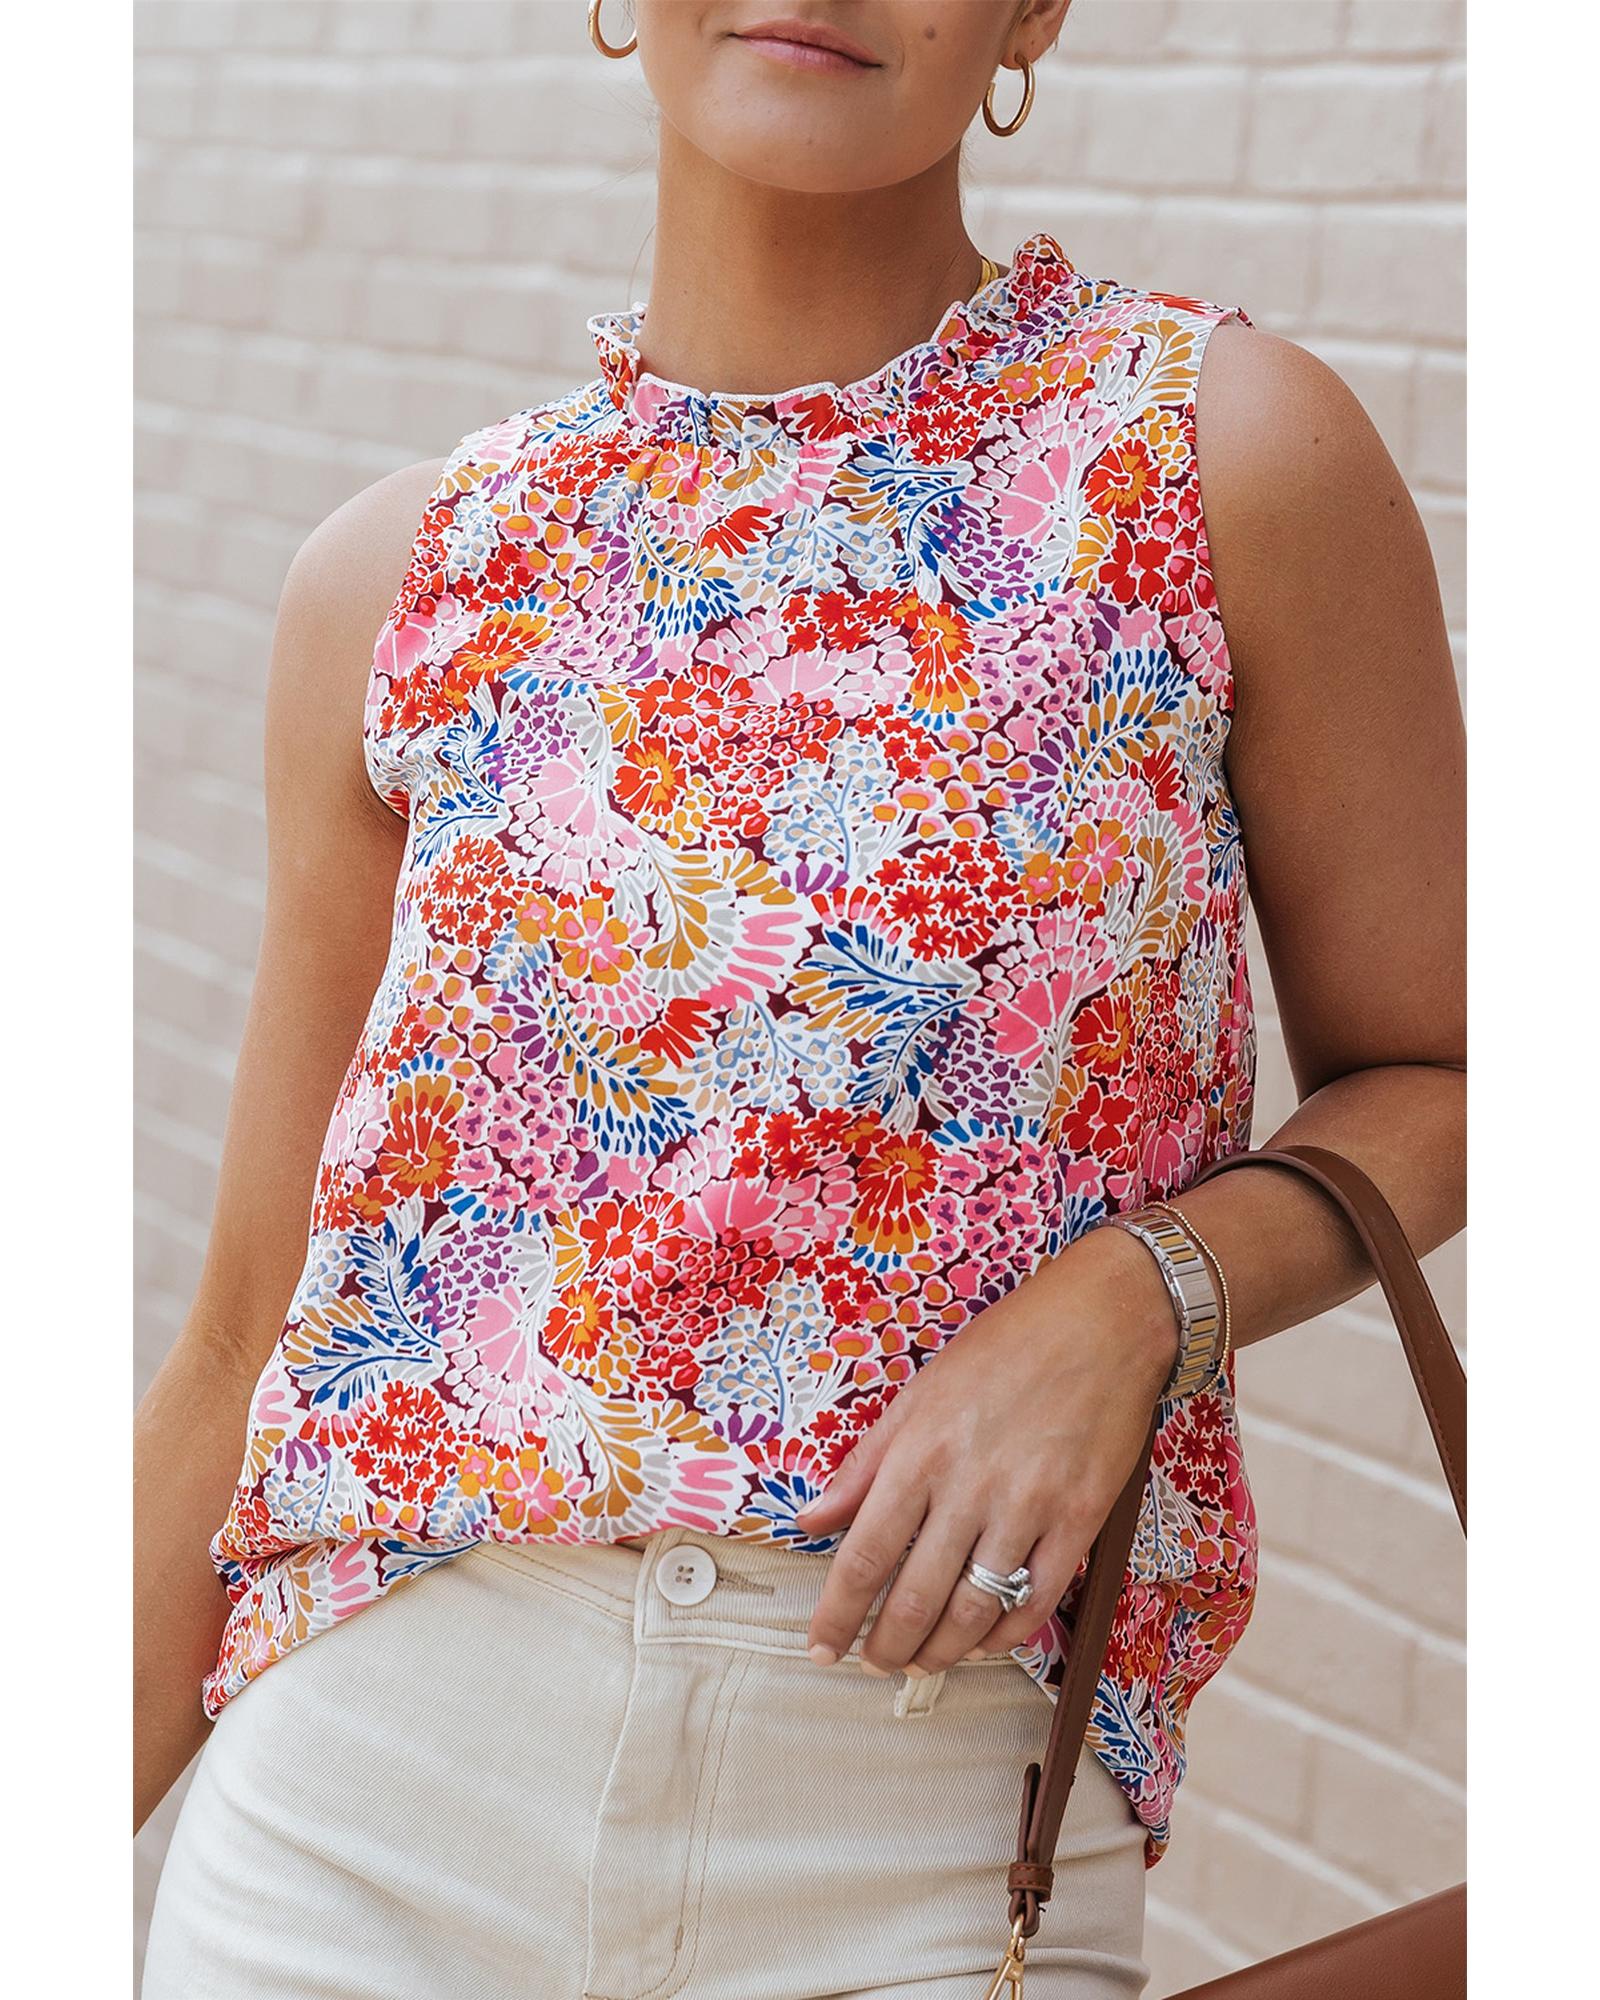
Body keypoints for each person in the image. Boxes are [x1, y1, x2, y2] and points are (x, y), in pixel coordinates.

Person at [134, 3, 1467, 1995]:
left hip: (926, 1830)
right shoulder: (411, 574)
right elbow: (249, 1333)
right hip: (363, 1821)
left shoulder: (1214, 454)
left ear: (1030, 11)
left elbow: (1454, 1072)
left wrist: (1133, 1301)